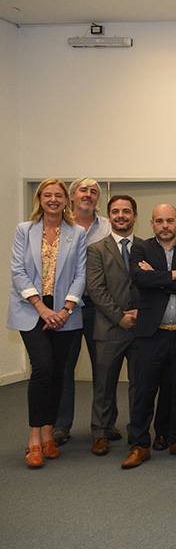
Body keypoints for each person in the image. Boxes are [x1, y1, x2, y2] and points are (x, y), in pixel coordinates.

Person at [9, 178, 87, 468]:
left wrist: (66, 309)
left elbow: (81, 274)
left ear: (66, 200)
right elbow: (18, 271)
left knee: (58, 372)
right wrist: (41, 307)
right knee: (42, 367)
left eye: (58, 195)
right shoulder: (25, 230)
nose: (53, 199)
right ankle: (33, 438)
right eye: (47, 195)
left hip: (65, 313)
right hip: (31, 311)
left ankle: (48, 434)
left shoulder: (76, 232)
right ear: (40, 199)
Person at [123, 204, 176, 469]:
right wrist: (175, 275)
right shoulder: (141, 249)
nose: (165, 226)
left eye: (170, 220)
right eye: (160, 221)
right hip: (151, 334)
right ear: (152, 223)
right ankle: (140, 444)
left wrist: (158, 278)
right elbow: (139, 279)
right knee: (144, 392)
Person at [53, 177, 111, 446]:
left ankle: (105, 424)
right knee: (64, 367)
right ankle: (60, 425)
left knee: (104, 368)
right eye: (83, 190)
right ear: (72, 196)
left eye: (93, 192)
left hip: (100, 308)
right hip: (67, 308)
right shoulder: (59, 226)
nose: (88, 195)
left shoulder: (107, 227)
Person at [85, 195, 139, 456]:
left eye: (126, 211)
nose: (121, 216)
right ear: (109, 217)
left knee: (139, 384)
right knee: (104, 385)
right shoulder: (96, 249)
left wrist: (139, 314)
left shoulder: (145, 247)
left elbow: (152, 285)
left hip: (141, 329)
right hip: (108, 328)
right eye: (116, 211)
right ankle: (101, 432)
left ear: (135, 216)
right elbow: (96, 290)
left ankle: (137, 430)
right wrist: (119, 317)